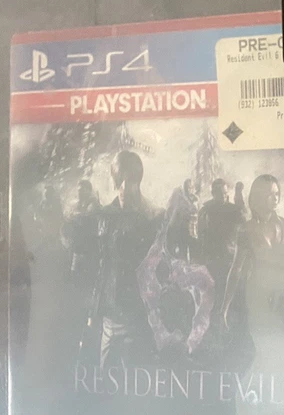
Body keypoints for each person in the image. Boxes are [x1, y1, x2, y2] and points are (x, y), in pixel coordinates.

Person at [221, 175, 284, 337]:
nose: (275, 198)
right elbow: (236, 269)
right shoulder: (246, 230)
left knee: (279, 343)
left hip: (282, 299)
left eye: (277, 193)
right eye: (270, 194)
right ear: (258, 196)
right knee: (260, 341)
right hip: (257, 298)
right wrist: (225, 308)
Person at [92, 151, 159, 367]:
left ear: (137, 182)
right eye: (119, 180)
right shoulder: (105, 216)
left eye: (128, 181)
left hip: (135, 314)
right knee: (104, 374)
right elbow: (100, 265)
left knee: (133, 374)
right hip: (108, 314)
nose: (122, 187)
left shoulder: (149, 220)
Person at [138, 185, 215, 356]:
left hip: (182, 298)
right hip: (164, 299)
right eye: (181, 215)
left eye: (188, 217)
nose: (187, 221)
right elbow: (146, 272)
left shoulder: (187, 237)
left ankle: (187, 342)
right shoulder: (163, 238)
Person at [61, 179, 101, 348]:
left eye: (83, 189)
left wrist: (72, 216)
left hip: (89, 258)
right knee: (76, 291)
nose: (79, 192)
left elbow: (86, 218)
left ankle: (87, 332)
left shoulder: (93, 206)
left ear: (88, 191)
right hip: (78, 256)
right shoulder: (78, 206)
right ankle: (78, 331)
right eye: (79, 190)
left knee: (87, 294)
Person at [197, 178, 244, 314]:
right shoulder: (206, 211)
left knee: (230, 295)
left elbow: (243, 219)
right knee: (214, 296)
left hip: (229, 258)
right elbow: (200, 234)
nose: (223, 196)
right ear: (213, 193)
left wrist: (239, 195)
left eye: (225, 193)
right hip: (212, 259)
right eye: (220, 193)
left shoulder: (233, 210)